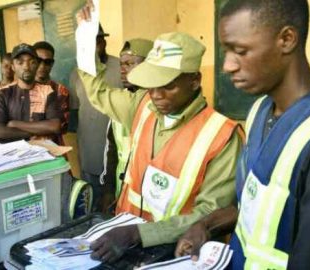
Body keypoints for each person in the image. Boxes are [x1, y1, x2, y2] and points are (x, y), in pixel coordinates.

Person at [76, 2, 243, 263]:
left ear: (195, 80)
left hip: (176, 254)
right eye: (151, 84)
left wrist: (141, 233)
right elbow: (98, 92)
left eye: (168, 86)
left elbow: (210, 212)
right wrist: (84, 42)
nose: (156, 95)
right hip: (122, 243)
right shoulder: (142, 105)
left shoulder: (222, 136)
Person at [175, 0, 310, 269]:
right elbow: (257, 207)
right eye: (226, 51)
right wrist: (205, 225)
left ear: (286, 39)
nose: (227, 65)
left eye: (240, 51)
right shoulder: (259, 111)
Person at [69, 23, 122, 209]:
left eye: (96, 42)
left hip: (116, 153)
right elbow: (75, 111)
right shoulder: (77, 74)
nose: (93, 48)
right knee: (91, 201)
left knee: (113, 202)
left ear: (103, 42)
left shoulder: (121, 68)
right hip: (89, 150)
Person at [99, 38, 153, 214]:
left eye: (129, 64)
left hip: (148, 201)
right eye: (121, 64)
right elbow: (111, 151)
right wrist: (108, 190)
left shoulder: (159, 106)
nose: (122, 70)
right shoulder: (121, 103)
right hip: (121, 194)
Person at [0, 43, 61, 142]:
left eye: (32, 62)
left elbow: (54, 126)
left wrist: (15, 124)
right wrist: (33, 133)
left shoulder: (47, 92)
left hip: (44, 151)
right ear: (13, 67)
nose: (26, 67)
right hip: (13, 153)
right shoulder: (3, 94)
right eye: (20, 63)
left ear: (37, 65)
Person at [33, 41, 70, 134]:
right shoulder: (19, 89)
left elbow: (61, 127)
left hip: (53, 146)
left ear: (52, 64)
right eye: (38, 61)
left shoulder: (61, 91)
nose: (42, 66)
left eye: (47, 62)